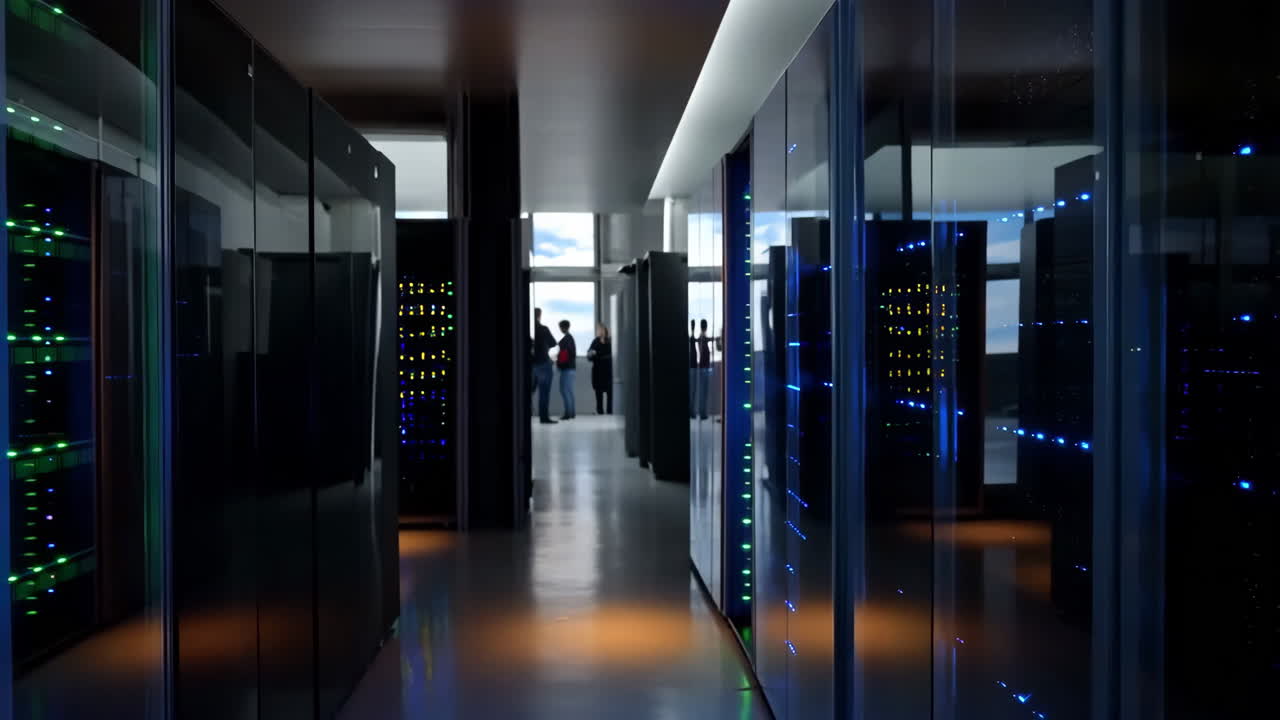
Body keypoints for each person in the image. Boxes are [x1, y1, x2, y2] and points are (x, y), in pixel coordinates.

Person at [531, 308, 558, 424]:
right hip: (543, 363)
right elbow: (553, 343)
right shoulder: (543, 329)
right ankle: (544, 418)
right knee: (544, 393)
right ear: (539, 316)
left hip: (531, 365)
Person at [587, 323, 614, 414]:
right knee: (598, 392)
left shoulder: (610, 341)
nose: (598, 331)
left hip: (608, 370)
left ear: (604, 330)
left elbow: (614, 355)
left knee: (610, 392)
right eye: (598, 330)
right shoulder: (595, 341)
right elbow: (589, 354)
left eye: (600, 329)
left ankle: (610, 411)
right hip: (598, 370)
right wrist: (591, 353)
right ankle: (600, 411)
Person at [556, 320, 577, 420]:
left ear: (563, 327)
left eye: (560, 327)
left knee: (564, 390)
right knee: (569, 391)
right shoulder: (570, 338)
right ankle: (572, 413)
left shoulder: (566, 339)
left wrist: (559, 363)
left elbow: (564, 354)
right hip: (571, 368)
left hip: (566, 369)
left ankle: (568, 413)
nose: (560, 329)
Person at [696, 318, 714, 419]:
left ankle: (703, 412)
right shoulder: (702, 337)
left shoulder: (702, 337)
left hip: (704, 366)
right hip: (704, 367)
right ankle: (702, 413)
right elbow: (702, 351)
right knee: (704, 391)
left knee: (704, 391)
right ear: (705, 326)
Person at [689, 319, 698, 418]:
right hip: (693, 368)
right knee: (693, 391)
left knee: (693, 391)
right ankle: (691, 411)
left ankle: (691, 411)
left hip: (693, 367)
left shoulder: (692, 338)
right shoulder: (692, 339)